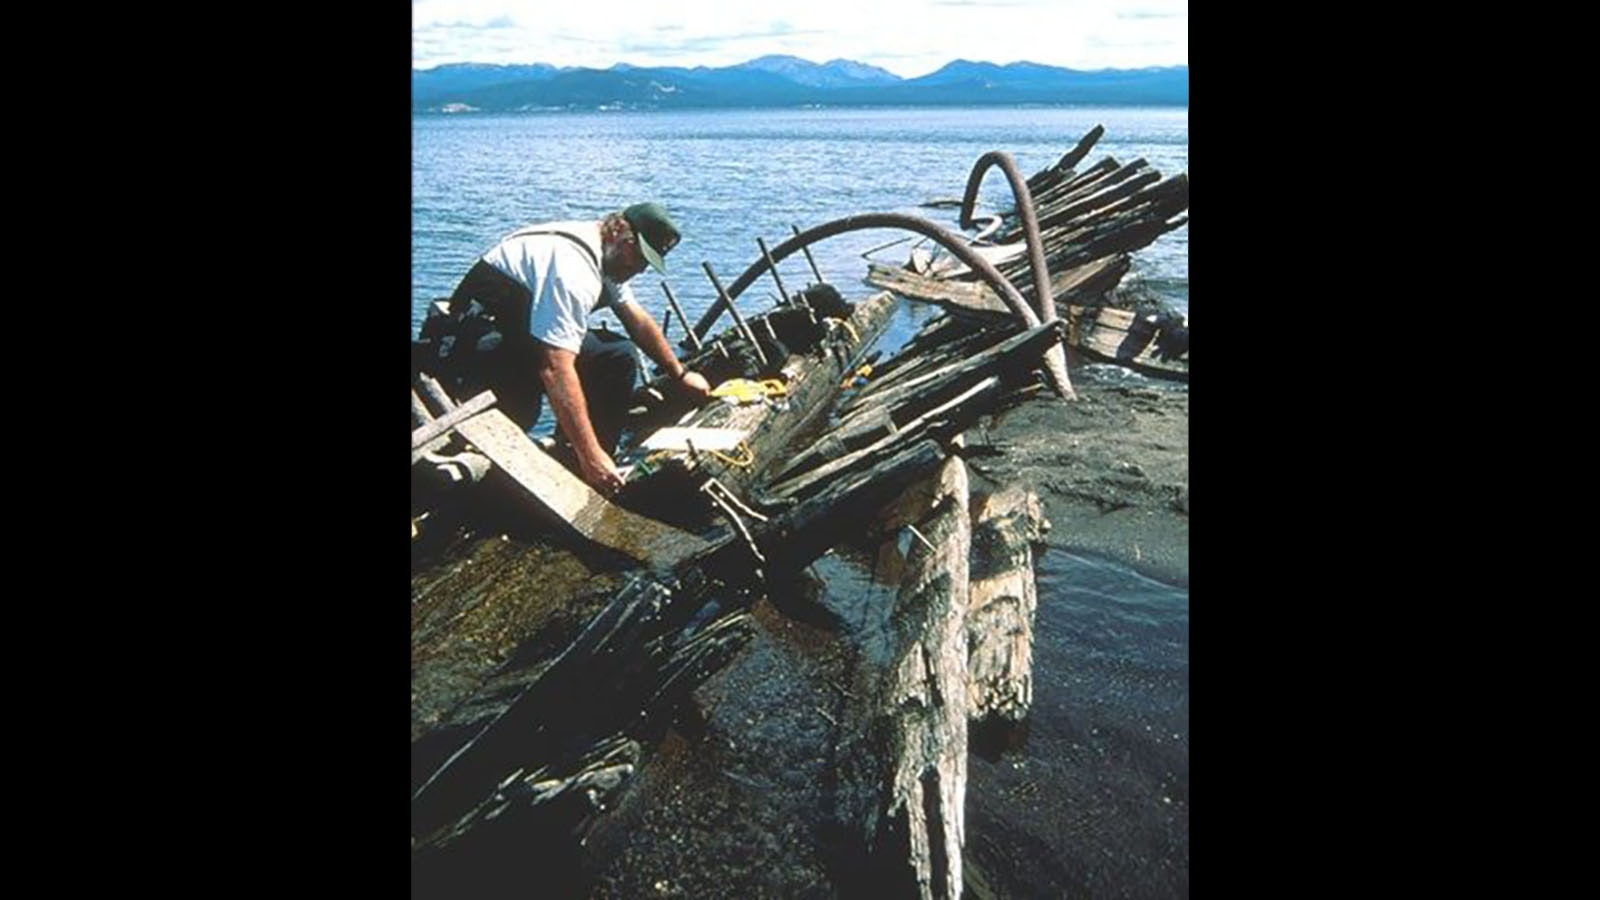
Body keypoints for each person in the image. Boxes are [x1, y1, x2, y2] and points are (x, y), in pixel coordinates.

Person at [436, 202, 712, 495]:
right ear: (618, 230)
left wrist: (679, 374)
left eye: (647, 263)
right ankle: (588, 462)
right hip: (468, 353)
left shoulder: (607, 254)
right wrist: (590, 454)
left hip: (514, 335)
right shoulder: (573, 269)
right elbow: (555, 367)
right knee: (523, 410)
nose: (638, 268)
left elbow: (637, 320)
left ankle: (587, 469)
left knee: (617, 356)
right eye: (639, 257)